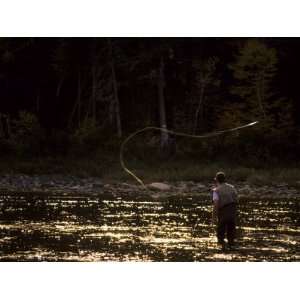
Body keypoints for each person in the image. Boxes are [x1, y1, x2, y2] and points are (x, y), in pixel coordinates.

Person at [212, 171, 238, 251]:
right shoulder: (232, 187)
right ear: (224, 179)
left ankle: (222, 249)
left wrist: (214, 216)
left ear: (216, 180)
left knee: (220, 234)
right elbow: (236, 200)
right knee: (231, 235)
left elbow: (216, 204)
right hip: (232, 213)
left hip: (223, 213)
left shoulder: (216, 191)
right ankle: (231, 248)